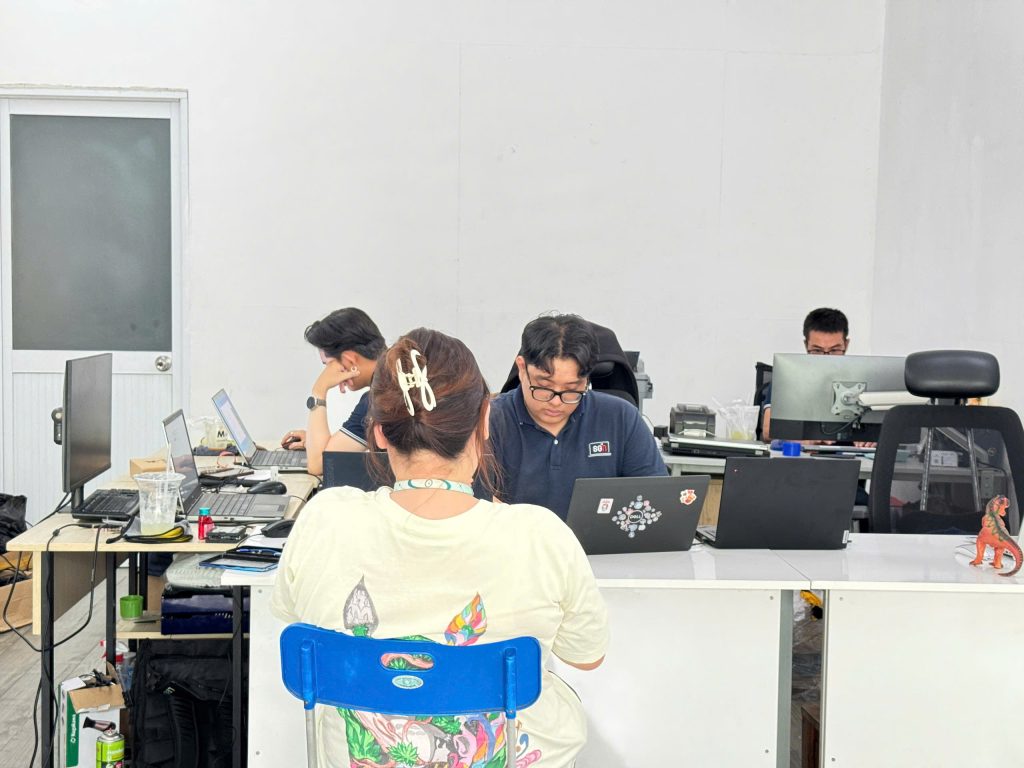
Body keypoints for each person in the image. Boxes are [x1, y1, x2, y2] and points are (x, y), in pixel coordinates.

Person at [272, 328, 608, 767]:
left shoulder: (324, 519)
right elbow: (586, 657)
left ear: (379, 432)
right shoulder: (541, 535)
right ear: (484, 422)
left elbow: (291, 614)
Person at [488, 313, 668, 520]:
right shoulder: (489, 421)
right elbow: (469, 503)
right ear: (522, 368)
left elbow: (656, 499)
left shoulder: (621, 418)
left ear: (587, 378)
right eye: (544, 386)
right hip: (517, 539)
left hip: (599, 541)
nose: (556, 402)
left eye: (572, 389)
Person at [279, 307, 385, 475]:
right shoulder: (397, 378)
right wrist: (314, 441)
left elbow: (319, 465)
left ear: (350, 359)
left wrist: (319, 390)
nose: (328, 373)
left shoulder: (377, 400)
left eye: (328, 365)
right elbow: (328, 452)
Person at [760, 307, 850, 442]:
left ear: (846, 345)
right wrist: (809, 440)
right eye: (817, 351)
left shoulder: (863, 377)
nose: (826, 359)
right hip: (803, 453)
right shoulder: (788, 378)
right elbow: (768, 430)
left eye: (835, 350)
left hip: (851, 453)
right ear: (806, 344)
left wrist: (872, 438)